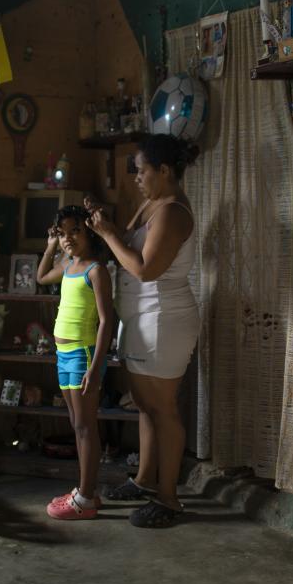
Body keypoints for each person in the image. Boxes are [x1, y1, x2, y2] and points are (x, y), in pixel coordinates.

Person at [86, 134, 200, 528]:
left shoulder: (173, 212)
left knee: (163, 409)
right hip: (140, 318)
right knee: (145, 405)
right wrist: (103, 224)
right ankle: (144, 479)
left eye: (142, 169)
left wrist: (108, 234)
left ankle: (170, 500)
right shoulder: (153, 203)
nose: (135, 176)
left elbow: (145, 268)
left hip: (163, 319)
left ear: (164, 171)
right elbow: (127, 248)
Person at [37, 205, 113, 519]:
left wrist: (95, 369)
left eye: (75, 231)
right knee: (76, 425)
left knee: (85, 426)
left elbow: (108, 321)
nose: (68, 239)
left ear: (89, 232)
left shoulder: (95, 270)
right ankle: (87, 493)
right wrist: (51, 247)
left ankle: (84, 499)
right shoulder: (68, 264)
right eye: (63, 233)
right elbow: (42, 276)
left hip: (83, 355)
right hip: (63, 355)